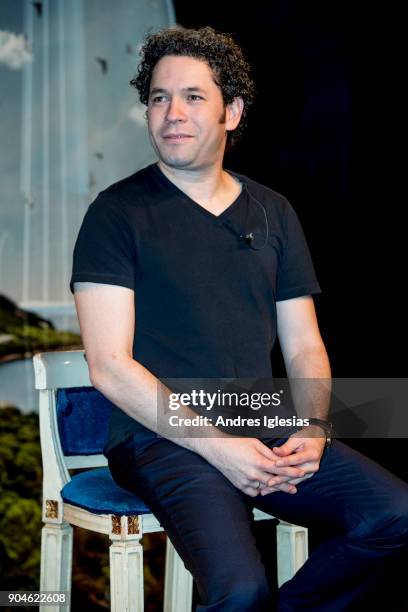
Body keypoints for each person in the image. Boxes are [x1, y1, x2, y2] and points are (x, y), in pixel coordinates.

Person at [70, 25, 408, 611]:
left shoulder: (273, 211)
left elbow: (305, 346)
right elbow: (109, 367)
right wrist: (222, 448)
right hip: (159, 434)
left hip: (259, 411)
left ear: (232, 110)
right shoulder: (116, 214)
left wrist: (314, 424)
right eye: (157, 97)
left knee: (395, 516)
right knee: (240, 590)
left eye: (193, 97)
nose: (171, 113)